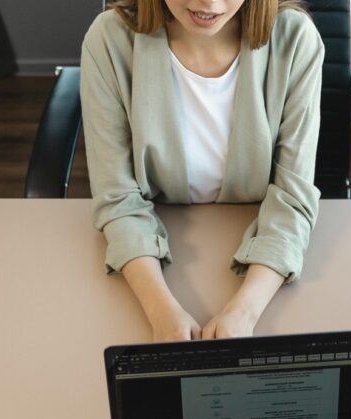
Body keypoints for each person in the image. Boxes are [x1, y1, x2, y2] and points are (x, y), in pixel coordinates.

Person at [80, 0, 324, 341]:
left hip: (261, 257)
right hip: (155, 251)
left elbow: (292, 196)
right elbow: (117, 196)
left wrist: (245, 311)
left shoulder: (296, 39)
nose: (208, 3)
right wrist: (160, 310)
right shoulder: (109, 39)